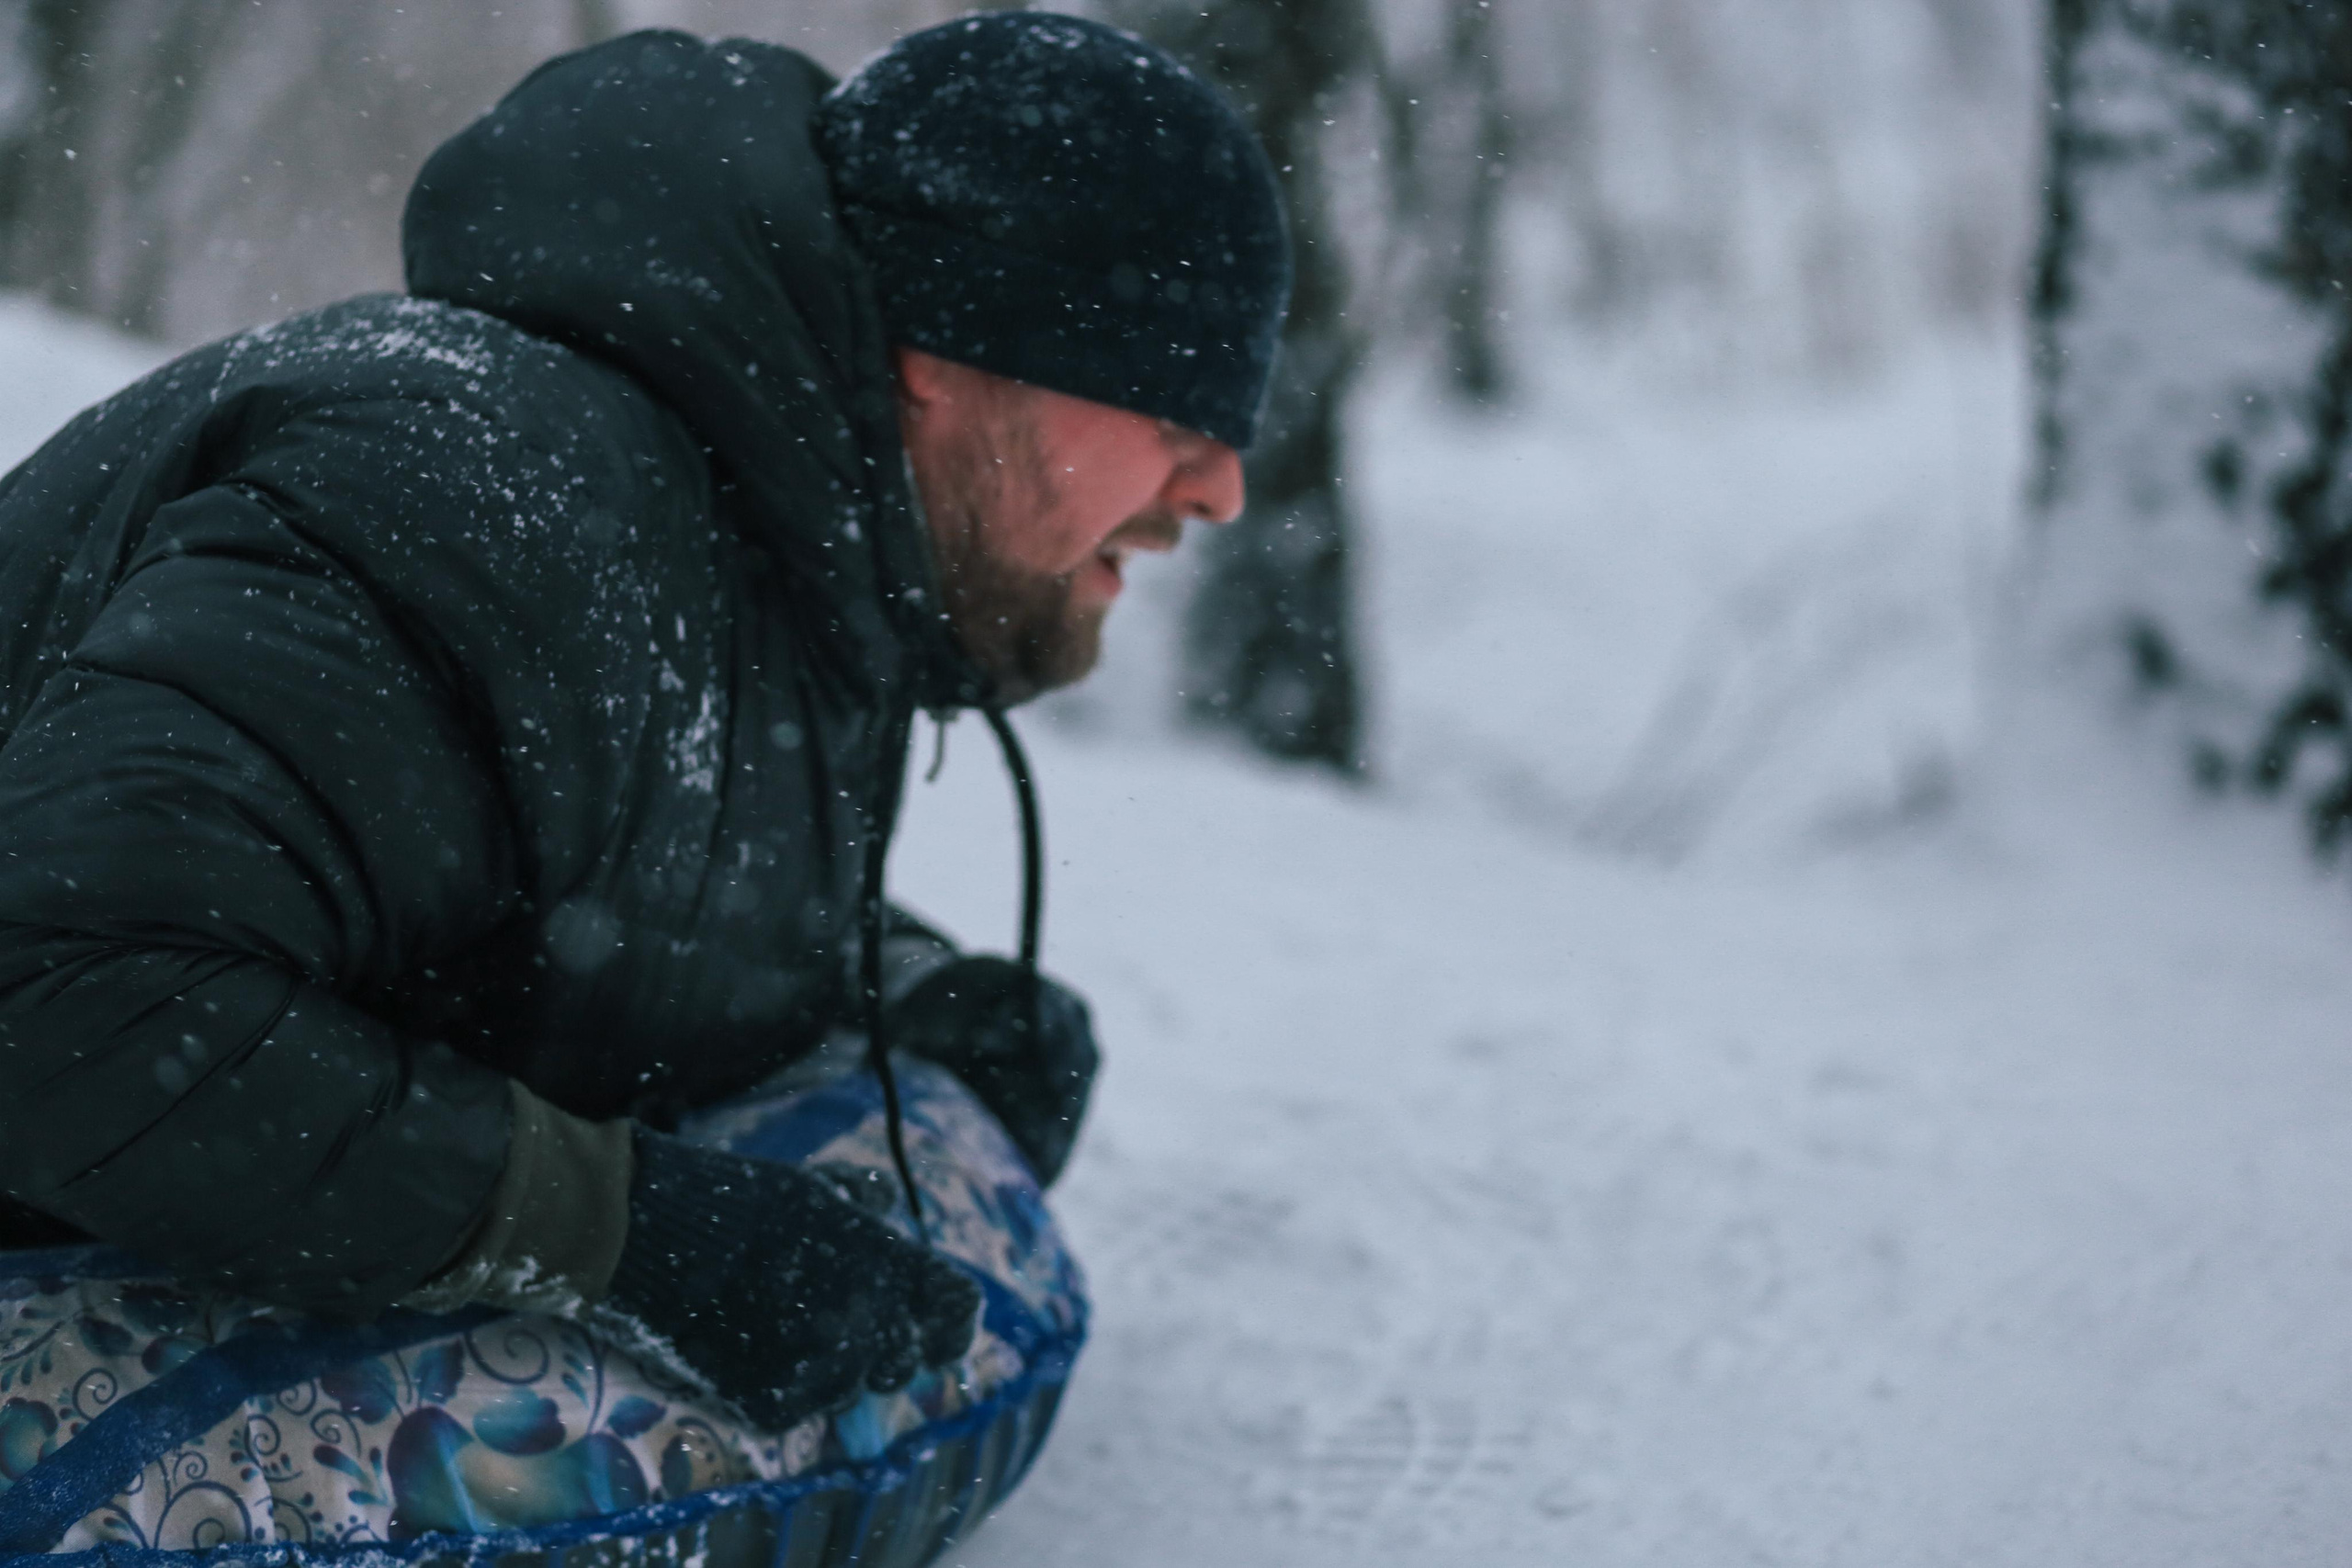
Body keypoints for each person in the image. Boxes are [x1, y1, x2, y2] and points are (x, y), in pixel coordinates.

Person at [0, 9, 1287, 1446]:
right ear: (945, 349)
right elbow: (61, 990)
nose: (1220, 488)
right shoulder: (475, 491)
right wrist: (618, 1229)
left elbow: (576, 880)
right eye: (1172, 404)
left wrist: (893, 995)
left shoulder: (780, 553)